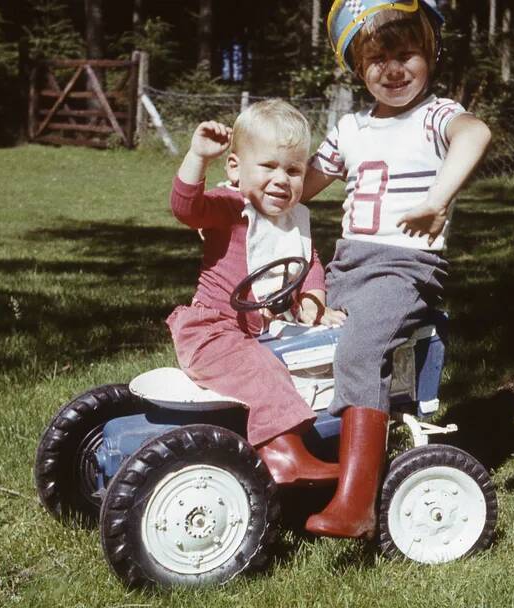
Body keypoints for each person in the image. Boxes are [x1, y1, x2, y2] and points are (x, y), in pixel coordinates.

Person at [301, 0, 492, 538]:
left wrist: (438, 197)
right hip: (346, 264)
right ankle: (302, 453)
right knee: (292, 336)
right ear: (358, 68)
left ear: (430, 53)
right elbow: (302, 185)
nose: (393, 69)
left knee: (360, 349)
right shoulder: (350, 128)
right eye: (377, 59)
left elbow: (475, 134)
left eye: (407, 53)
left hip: (405, 267)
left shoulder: (435, 115)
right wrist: (240, 187)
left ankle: (356, 503)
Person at [167, 99, 346, 487]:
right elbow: (186, 208)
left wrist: (314, 301)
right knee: (262, 370)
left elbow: (308, 262)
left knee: (318, 356)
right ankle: (286, 458)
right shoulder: (231, 208)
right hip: (212, 331)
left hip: (261, 332)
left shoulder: (294, 220)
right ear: (235, 168)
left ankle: (331, 432)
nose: (282, 179)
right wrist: (198, 157)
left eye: (294, 170)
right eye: (268, 166)